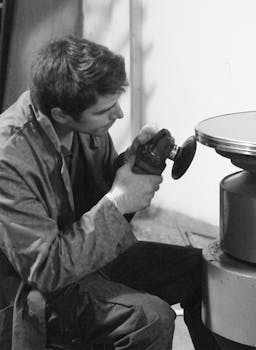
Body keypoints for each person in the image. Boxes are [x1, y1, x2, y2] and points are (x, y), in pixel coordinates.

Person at [0, 36, 220, 349]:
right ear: (61, 114)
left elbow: (98, 210)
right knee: (149, 319)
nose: (118, 114)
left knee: (206, 274)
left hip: (87, 261)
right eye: (105, 109)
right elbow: (47, 272)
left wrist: (132, 166)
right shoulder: (8, 160)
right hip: (32, 292)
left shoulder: (85, 128)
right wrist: (118, 202)